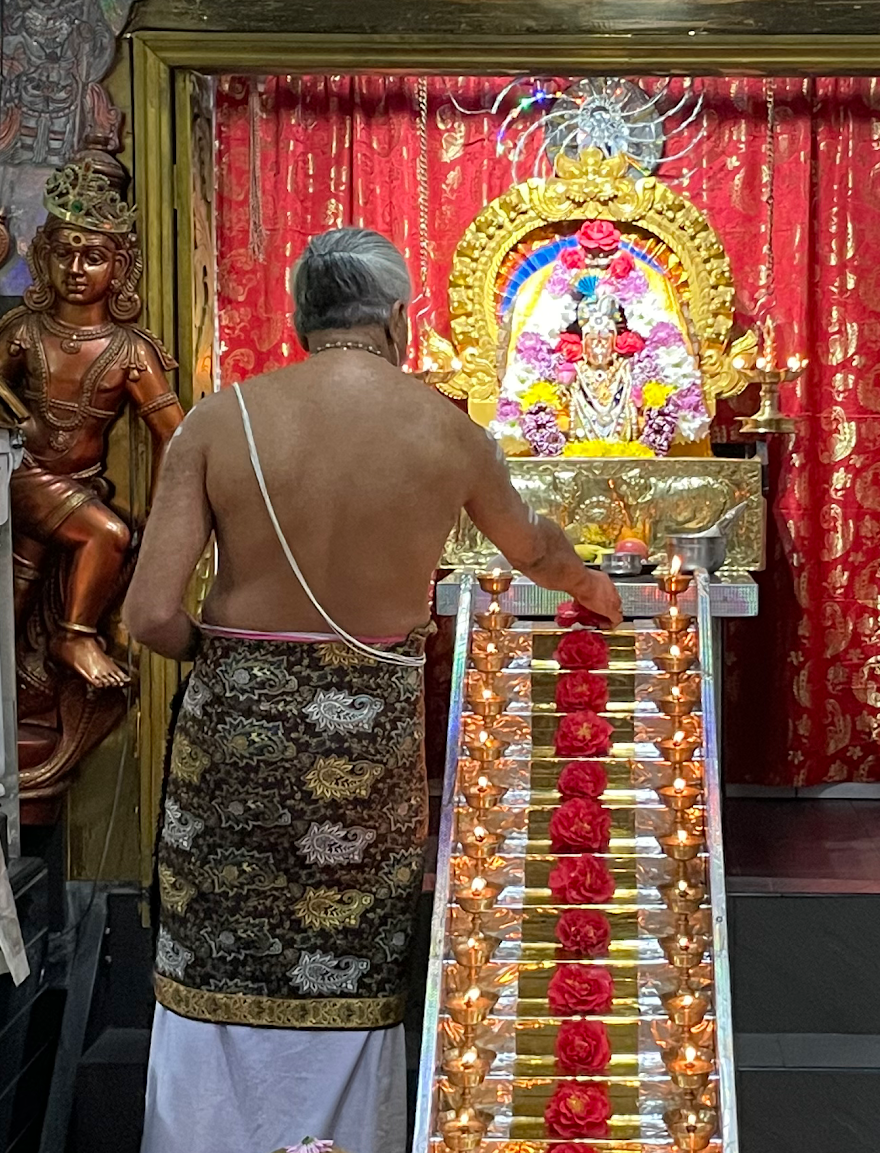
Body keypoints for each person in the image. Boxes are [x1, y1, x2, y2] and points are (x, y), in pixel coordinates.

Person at [123, 227, 622, 1153]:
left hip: (234, 744)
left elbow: (150, 615)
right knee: (349, 964)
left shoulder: (218, 420)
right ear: (398, 319)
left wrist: (232, 663)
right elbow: (537, 552)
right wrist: (593, 587)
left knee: (213, 962)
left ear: (300, 317)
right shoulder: (448, 432)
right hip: (368, 753)